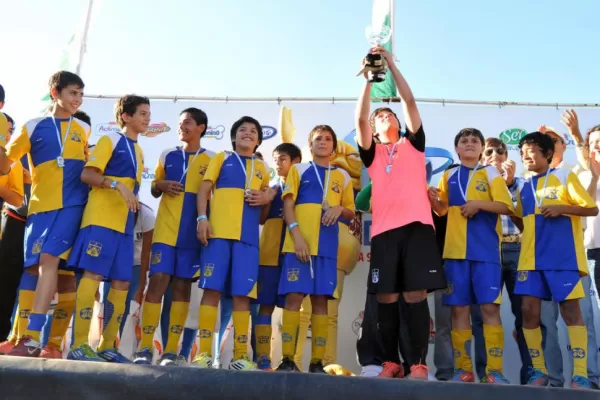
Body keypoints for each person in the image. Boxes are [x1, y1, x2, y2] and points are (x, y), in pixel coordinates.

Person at [355, 45, 446, 379]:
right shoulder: (372, 153)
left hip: (419, 228)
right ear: (374, 128)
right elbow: (359, 118)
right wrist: (368, 78)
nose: (386, 117)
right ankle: (390, 362)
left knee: (415, 294)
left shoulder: (413, 144)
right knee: (388, 297)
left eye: (389, 115)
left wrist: (390, 65)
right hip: (384, 232)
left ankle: (418, 364)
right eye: (380, 117)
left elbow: (409, 101)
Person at [6, 71, 89, 358]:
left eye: (80, 94)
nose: (77, 99)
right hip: (39, 209)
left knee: (48, 261)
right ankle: (20, 336)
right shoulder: (32, 126)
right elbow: (6, 164)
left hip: (72, 206)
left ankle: (34, 338)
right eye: (72, 93)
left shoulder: (83, 129)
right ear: (55, 93)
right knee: (32, 269)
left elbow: (89, 170)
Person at [512, 132, 598, 389]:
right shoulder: (524, 185)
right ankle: (539, 372)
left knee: (571, 313)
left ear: (548, 154)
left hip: (563, 259)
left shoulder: (564, 176)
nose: (526, 156)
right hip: (530, 261)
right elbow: (519, 219)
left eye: (532, 151)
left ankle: (580, 374)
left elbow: (591, 208)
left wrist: (562, 208)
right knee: (528, 313)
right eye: (523, 152)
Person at [66, 94, 148, 362]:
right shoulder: (110, 139)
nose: (147, 118)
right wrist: (116, 184)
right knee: (92, 276)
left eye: (148, 113)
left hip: (124, 226)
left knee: (123, 282)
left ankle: (107, 346)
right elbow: (88, 174)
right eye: (143, 113)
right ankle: (79, 344)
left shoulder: (139, 150)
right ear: (126, 116)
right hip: (100, 220)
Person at [430, 128, 514, 384]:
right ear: (456, 149)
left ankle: (494, 371)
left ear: (480, 149)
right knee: (459, 311)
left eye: (474, 141)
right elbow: (443, 210)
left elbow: (506, 206)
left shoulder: (491, 173)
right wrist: (433, 200)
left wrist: (479, 204)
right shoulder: (448, 174)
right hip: (455, 253)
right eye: (463, 141)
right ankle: (462, 370)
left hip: (486, 253)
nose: (468, 144)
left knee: (489, 308)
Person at [134, 108, 213, 366]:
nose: (182, 126)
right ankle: (145, 348)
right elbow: (154, 188)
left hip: (191, 236)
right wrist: (161, 185)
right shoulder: (167, 153)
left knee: (181, 286)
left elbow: (215, 197)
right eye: (180, 123)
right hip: (166, 231)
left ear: (201, 127)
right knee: (157, 281)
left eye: (188, 122)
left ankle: (170, 350)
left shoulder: (213, 159)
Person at [275, 125, 355, 373]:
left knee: (321, 302)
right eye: (318, 139)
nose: (323, 142)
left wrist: (339, 210)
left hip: (327, 249)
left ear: (333, 146)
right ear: (310, 145)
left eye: (328, 139)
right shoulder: (298, 170)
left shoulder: (342, 176)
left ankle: (317, 362)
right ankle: (287, 359)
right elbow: (288, 206)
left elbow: (351, 212)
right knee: (294, 298)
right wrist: (297, 236)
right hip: (299, 245)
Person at [195, 116, 271, 371]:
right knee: (212, 291)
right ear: (234, 137)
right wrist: (202, 218)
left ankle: (240, 356)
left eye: (253, 131)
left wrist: (266, 199)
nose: (247, 133)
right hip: (218, 235)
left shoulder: (263, 169)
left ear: (259, 140)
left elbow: (263, 214)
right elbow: (204, 190)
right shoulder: (222, 158)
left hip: (248, 241)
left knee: (243, 296)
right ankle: (203, 354)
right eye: (242, 130)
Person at [535, 118, 599, 388]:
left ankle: (589, 377)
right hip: (569, 255)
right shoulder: (535, 178)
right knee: (551, 323)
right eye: (543, 142)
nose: (548, 144)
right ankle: (556, 378)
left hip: (574, 258)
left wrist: (574, 133)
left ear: (562, 146)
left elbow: (586, 204)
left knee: (583, 321)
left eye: (553, 140)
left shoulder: (574, 171)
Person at [467, 138, 534, 384]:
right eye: (490, 151)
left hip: (517, 249)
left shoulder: (523, 184)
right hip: (488, 251)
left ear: (507, 156)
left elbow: (525, 219)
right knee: (482, 315)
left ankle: (531, 376)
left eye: (501, 151)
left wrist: (509, 185)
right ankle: (487, 375)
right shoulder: (475, 182)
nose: (496, 154)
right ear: (483, 157)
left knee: (526, 314)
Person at [254, 143, 302, 371]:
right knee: (265, 306)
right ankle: (263, 357)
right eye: (275, 159)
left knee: (293, 307)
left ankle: (288, 359)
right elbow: (262, 219)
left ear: (296, 161)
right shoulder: (271, 188)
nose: (278, 163)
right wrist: (267, 197)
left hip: (294, 255)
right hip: (269, 255)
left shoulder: (305, 186)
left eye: (283, 158)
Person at [101, 202, 154, 342]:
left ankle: (125, 346)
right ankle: (107, 344)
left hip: (136, 265)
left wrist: (141, 287)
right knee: (109, 303)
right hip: (114, 262)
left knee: (130, 305)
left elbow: (146, 254)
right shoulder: (113, 209)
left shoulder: (147, 215)